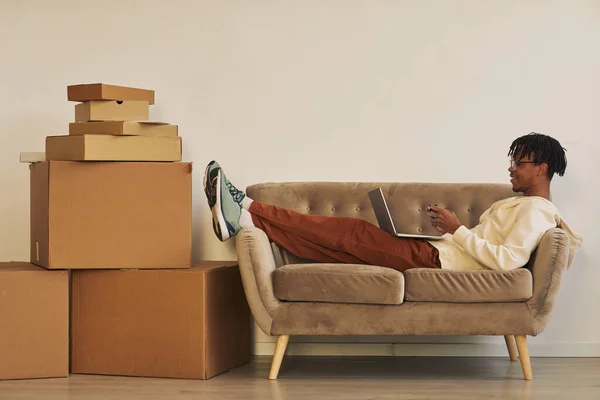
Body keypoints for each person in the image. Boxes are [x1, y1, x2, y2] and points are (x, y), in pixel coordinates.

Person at [203, 133, 582, 272]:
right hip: (436, 252)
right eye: (513, 160)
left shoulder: (537, 212)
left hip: (436, 261)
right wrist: (450, 233)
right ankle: (246, 222)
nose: (512, 168)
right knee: (338, 248)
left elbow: (507, 261)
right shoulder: (517, 205)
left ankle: (249, 207)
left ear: (542, 168)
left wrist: (457, 229)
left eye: (520, 162)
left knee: (350, 231)